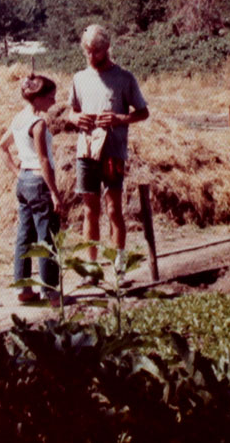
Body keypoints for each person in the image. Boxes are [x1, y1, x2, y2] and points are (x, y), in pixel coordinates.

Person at [68, 24, 149, 277]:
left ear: (107, 49)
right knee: (90, 209)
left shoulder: (124, 78)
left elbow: (143, 113)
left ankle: (119, 264)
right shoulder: (79, 78)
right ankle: (91, 265)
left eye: (96, 52)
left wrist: (118, 119)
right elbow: (71, 111)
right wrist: (76, 119)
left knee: (114, 208)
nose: (91, 57)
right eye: (87, 52)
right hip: (87, 151)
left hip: (113, 151)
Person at [0, 74, 64, 304]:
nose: (54, 101)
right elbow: (44, 160)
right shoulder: (38, 123)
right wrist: (55, 193)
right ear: (38, 98)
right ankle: (50, 291)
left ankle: (23, 289)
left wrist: (18, 173)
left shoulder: (19, 118)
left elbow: (2, 146)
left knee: (24, 236)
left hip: (24, 180)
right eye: (50, 97)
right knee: (47, 236)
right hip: (38, 181)